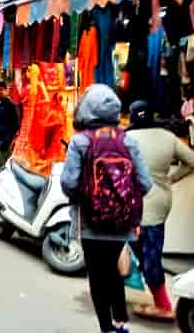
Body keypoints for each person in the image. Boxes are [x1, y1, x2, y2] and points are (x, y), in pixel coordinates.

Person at [60, 85, 153, 333]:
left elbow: (68, 184)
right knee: (113, 271)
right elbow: (145, 183)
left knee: (97, 275)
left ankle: (106, 328)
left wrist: (89, 197)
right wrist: (122, 201)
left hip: (89, 223)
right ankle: (122, 324)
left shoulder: (80, 141)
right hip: (121, 225)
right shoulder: (128, 141)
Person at [125, 100, 194, 320]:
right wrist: (171, 178)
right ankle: (158, 295)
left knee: (146, 255)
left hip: (136, 203)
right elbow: (192, 161)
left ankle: (163, 305)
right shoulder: (168, 138)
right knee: (149, 251)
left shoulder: (127, 139)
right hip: (160, 203)